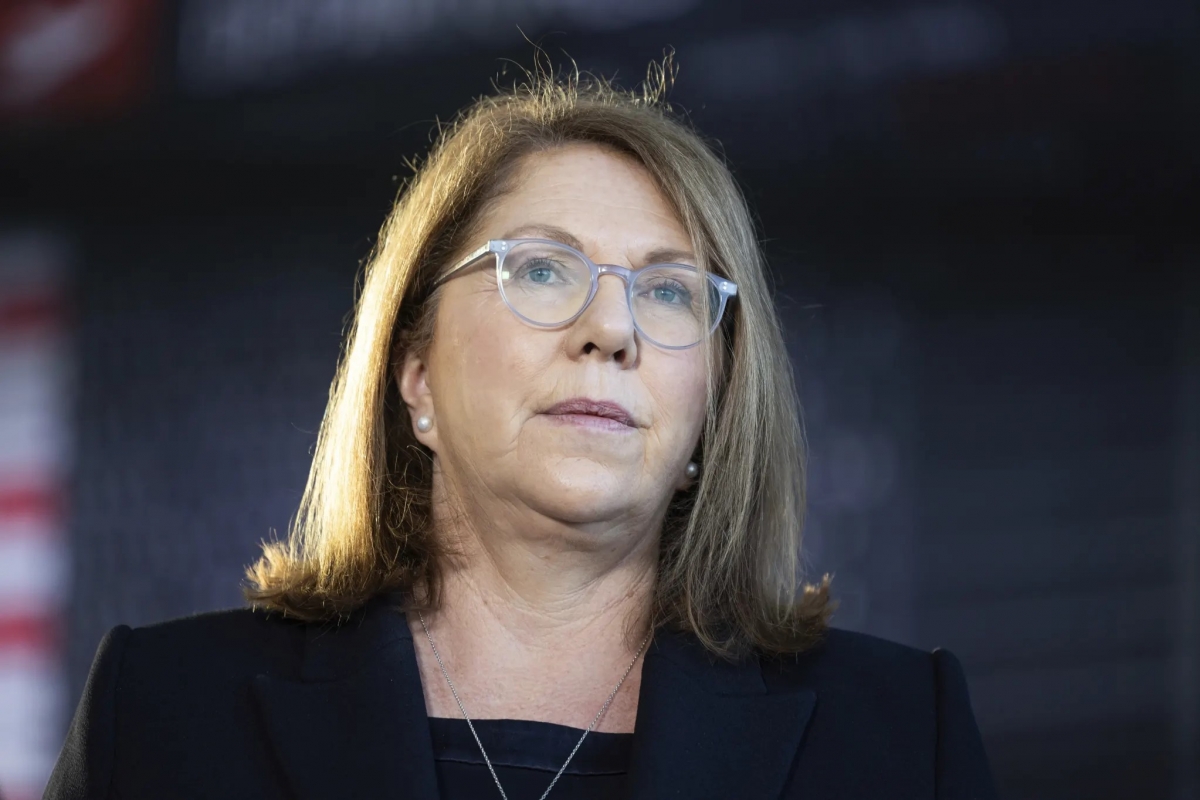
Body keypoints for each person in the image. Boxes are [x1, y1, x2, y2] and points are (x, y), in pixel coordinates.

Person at [46, 59, 998, 799]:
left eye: (669, 291)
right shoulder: (164, 711)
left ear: (715, 405)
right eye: (542, 270)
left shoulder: (902, 735)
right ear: (416, 372)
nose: (611, 330)